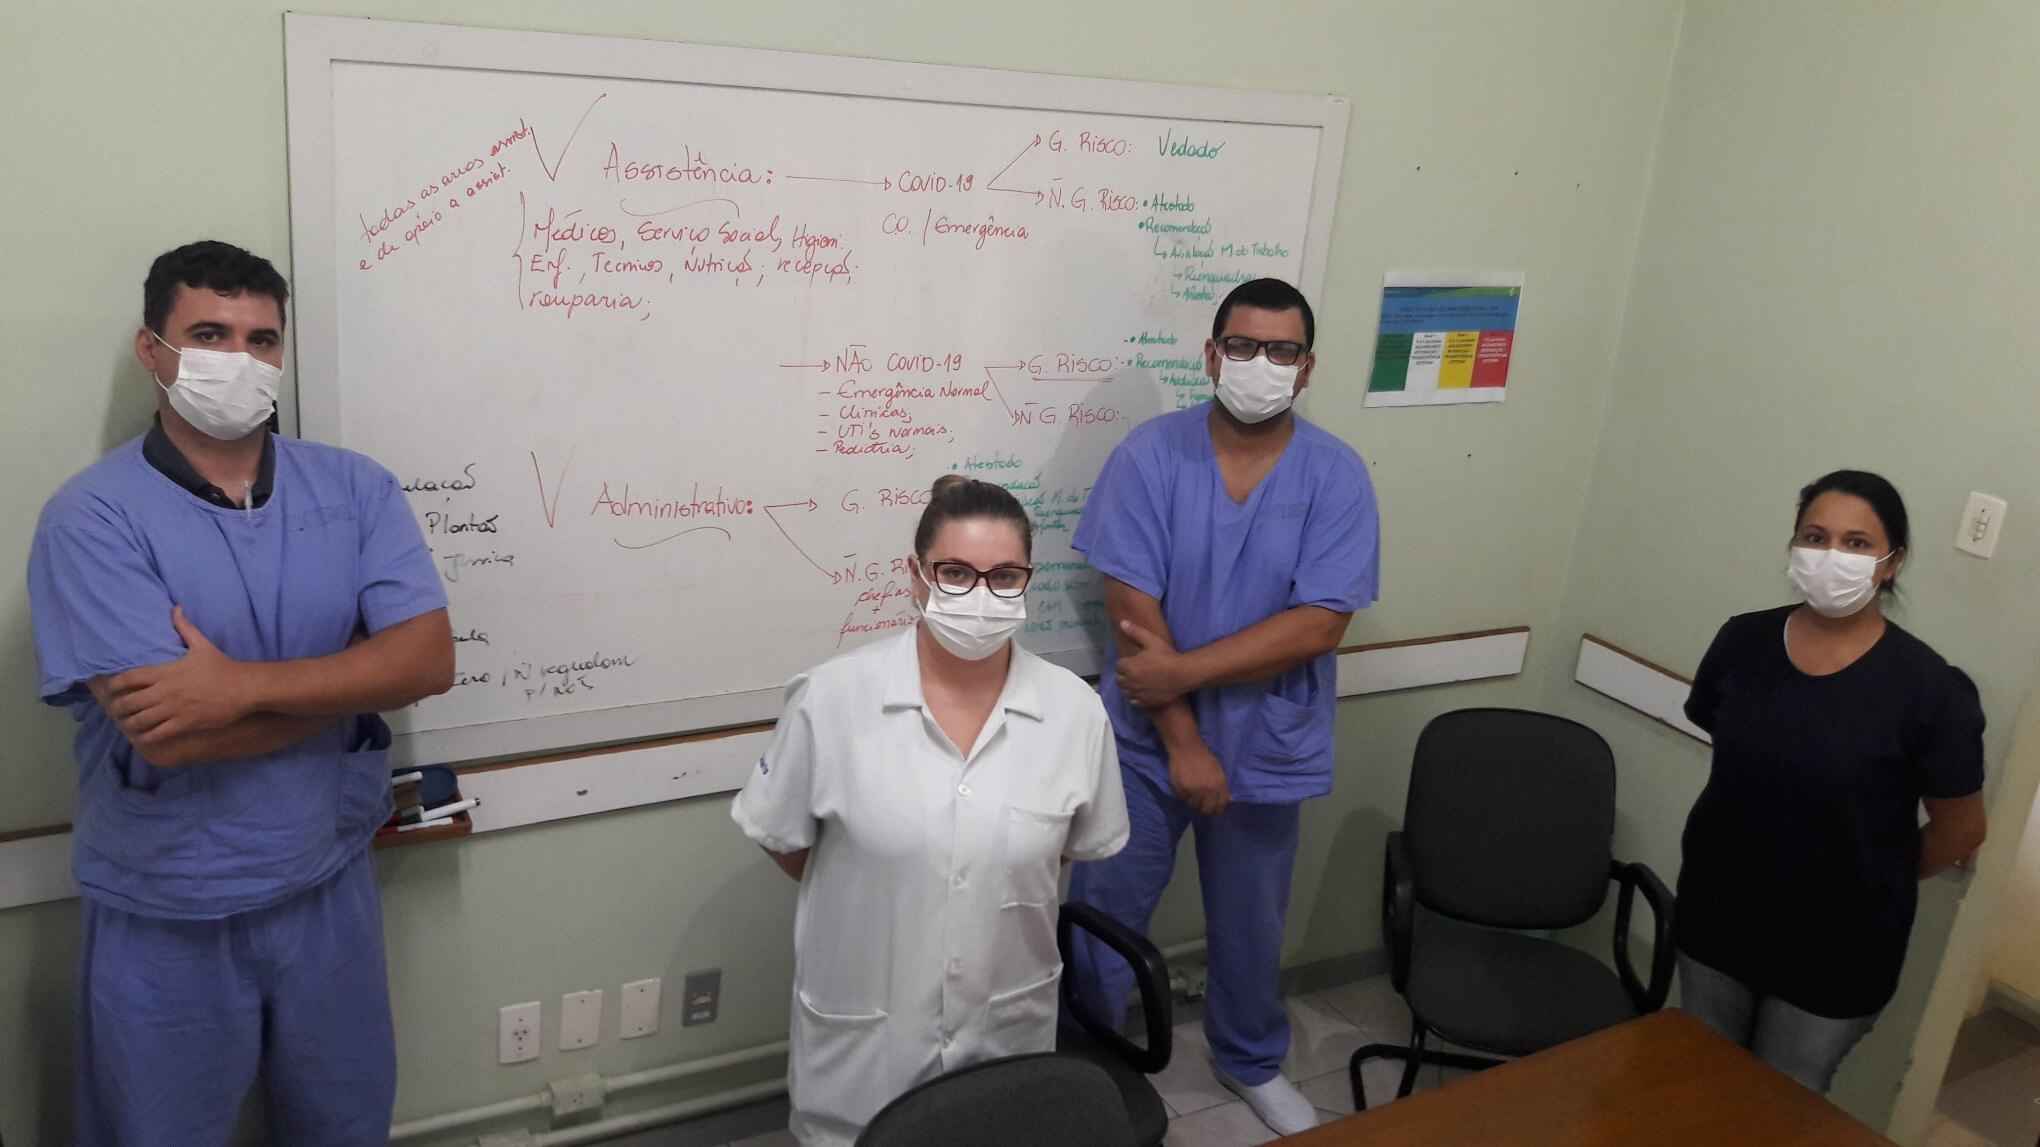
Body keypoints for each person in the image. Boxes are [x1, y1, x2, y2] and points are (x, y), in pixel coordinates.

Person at [27, 240, 454, 1146]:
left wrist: (237, 688)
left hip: (328, 875)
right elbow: (171, 734)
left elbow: (425, 662)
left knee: (343, 1123)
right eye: (210, 333)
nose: (240, 358)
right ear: (153, 350)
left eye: (262, 339)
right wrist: (348, 676)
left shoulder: (354, 488)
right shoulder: (93, 517)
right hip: (168, 905)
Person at [1063, 278, 1380, 1136]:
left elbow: (1318, 625)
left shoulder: (1335, 475)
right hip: (1142, 741)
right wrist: (1183, 739)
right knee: (1101, 917)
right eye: (1242, 346)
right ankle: (1085, 1069)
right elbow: (1132, 612)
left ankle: (1248, 1057)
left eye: (1281, 351)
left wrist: (1182, 676)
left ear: (1306, 369)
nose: (1259, 365)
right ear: (1211, 355)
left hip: (1269, 740)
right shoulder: (1149, 456)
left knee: (1251, 923)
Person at [731, 475, 1129, 1146]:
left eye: (1004, 575)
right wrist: (891, 881)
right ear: (916, 576)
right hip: (865, 1048)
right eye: (955, 572)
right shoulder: (831, 699)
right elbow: (787, 841)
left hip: (1008, 1034)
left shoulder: (1073, 711)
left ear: (1027, 579)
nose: (981, 594)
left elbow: (1057, 852)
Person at [1677, 470, 1988, 1093]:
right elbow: (1736, 745)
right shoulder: (1743, 640)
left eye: (1856, 543)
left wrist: (1869, 871)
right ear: (1793, 545)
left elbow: (1962, 828)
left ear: (1892, 562)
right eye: (1815, 537)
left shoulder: (1929, 690)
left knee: (1781, 1107)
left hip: (1838, 947)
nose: (1831, 557)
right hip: (1719, 915)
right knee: (1699, 1085)